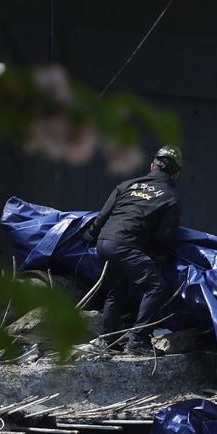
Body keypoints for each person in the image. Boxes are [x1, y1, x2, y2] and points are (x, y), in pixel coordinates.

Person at [86, 145, 184, 354]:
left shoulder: (127, 185)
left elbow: (102, 216)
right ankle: (137, 341)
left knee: (116, 291)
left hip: (104, 242)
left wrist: (90, 236)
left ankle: (108, 341)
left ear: (152, 165)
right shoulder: (170, 197)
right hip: (125, 245)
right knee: (157, 287)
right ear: (175, 174)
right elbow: (165, 238)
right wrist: (157, 256)